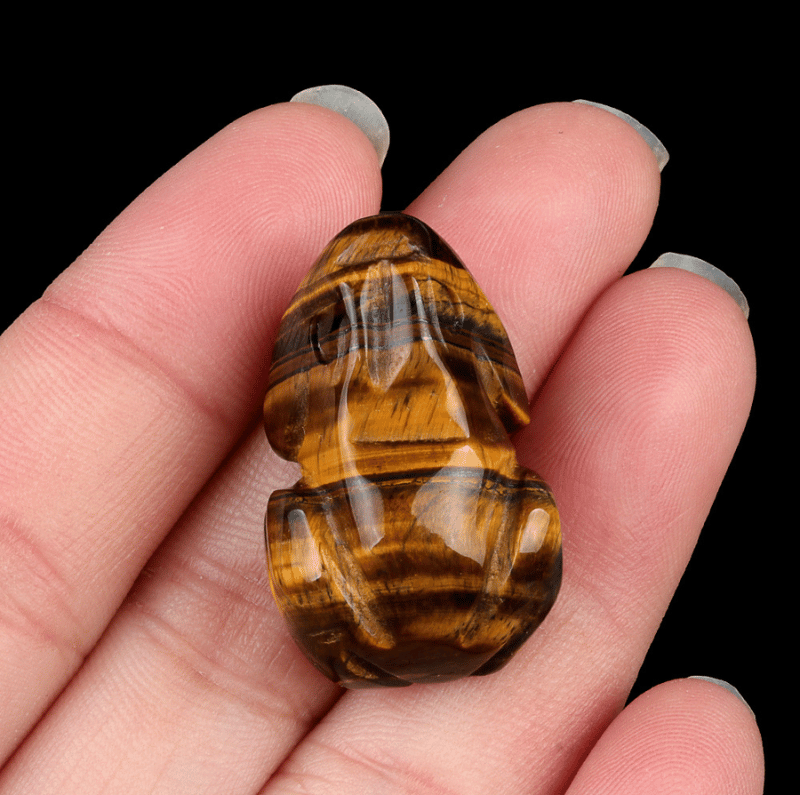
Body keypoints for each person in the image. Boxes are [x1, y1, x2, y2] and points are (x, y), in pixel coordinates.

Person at [0, 86, 763, 793]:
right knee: (518, 500)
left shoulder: (324, 373)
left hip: (366, 632)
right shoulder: (467, 360)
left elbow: (288, 430)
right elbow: (509, 408)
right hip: (443, 621)